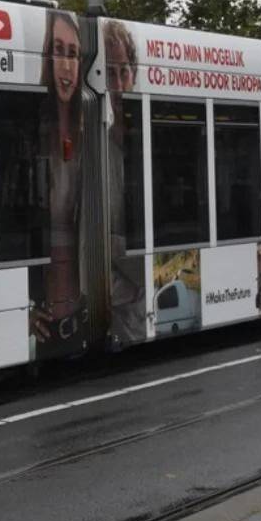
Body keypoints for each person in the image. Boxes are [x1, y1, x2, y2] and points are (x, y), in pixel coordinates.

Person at [31, 11, 85, 355]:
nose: (66, 65)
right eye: (58, 50)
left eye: (73, 54)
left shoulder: (93, 135)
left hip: (86, 316)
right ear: (46, 58)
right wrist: (18, 307)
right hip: (43, 324)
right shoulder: (29, 131)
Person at [104, 20, 146, 347]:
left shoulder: (146, 139)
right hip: (122, 319)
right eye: (109, 73)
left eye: (124, 72)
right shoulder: (95, 145)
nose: (118, 86)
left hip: (136, 314)